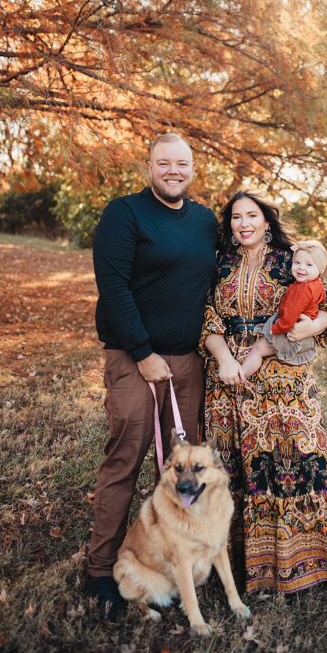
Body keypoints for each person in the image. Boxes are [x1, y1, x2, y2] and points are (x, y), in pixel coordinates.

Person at [86, 132, 219, 621]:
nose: (173, 171)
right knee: (126, 459)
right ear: (149, 166)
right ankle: (101, 570)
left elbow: (231, 269)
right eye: (164, 163)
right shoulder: (124, 213)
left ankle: (187, 559)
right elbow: (113, 286)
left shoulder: (206, 221)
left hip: (187, 363)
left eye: (181, 163)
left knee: (186, 469)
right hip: (134, 358)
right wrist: (142, 353)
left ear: (191, 167)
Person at [201, 192, 327, 593]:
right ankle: (235, 568)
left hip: (283, 378)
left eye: (252, 215)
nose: (244, 223)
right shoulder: (219, 262)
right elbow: (205, 315)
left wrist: (313, 324)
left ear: (267, 221)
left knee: (293, 462)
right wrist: (223, 358)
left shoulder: (291, 259)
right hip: (229, 379)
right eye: (236, 217)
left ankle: (306, 563)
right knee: (233, 466)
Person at [241, 238, 327, 376]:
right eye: (297, 262)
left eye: (309, 265)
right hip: (298, 328)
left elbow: (291, 313)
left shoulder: (303, 290)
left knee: (258, 349)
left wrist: (276, 329)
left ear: (320, 269)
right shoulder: (316, 283)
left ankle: (241, 375)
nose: (301, 267)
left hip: (290, 330)